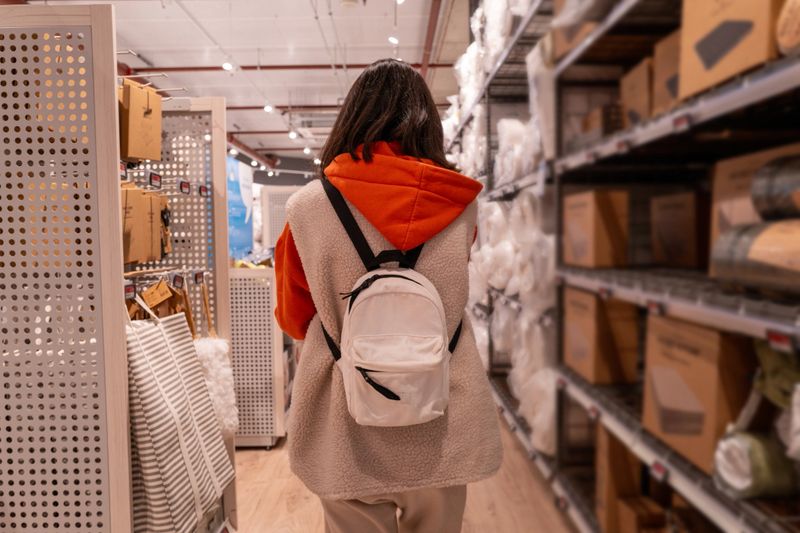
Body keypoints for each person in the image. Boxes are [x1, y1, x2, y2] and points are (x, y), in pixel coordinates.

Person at [274, 58, 502, 533]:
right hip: (440, 414)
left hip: (346, 419)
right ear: (427, 123)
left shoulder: (308, 208)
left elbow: (295, 317)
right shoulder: (461, 208)